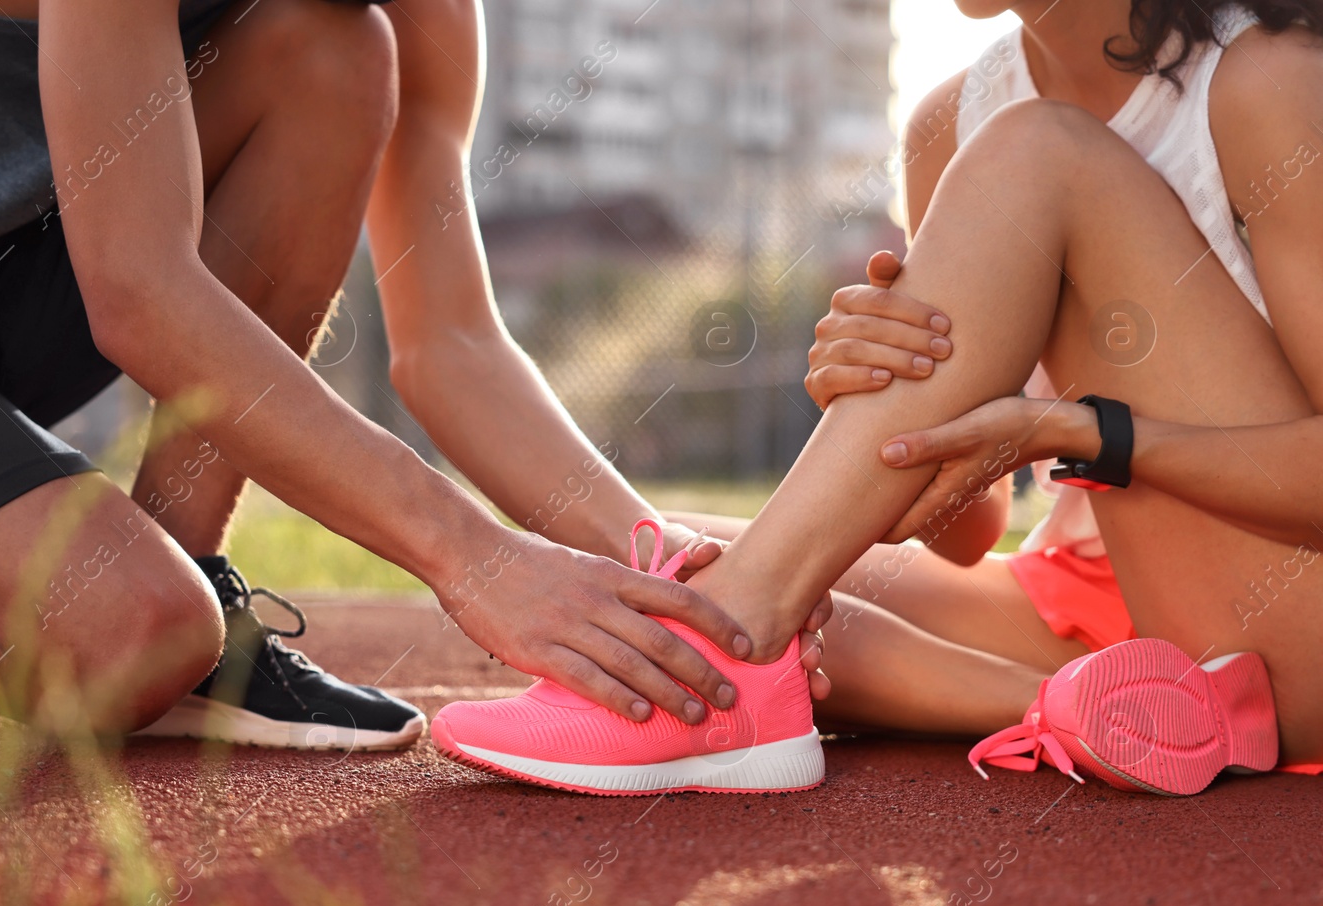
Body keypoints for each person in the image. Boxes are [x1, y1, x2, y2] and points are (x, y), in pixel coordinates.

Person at [0, 0, 810, 749]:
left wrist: (663, 570)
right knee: (126, 637)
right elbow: (142, 295)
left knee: (332, 55)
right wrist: (471, 556)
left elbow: (454, 347)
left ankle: (193, 575)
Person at [434, 0, 1323, 796]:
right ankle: (1101, 710)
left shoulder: (1267, 81)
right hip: (1097, 604)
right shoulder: (952, 121)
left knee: (1043, 151)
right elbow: (965, 536)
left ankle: (738, 649)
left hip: (1281, 619)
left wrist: (1086, 435)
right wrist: (872, 392)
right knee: (658, 562)